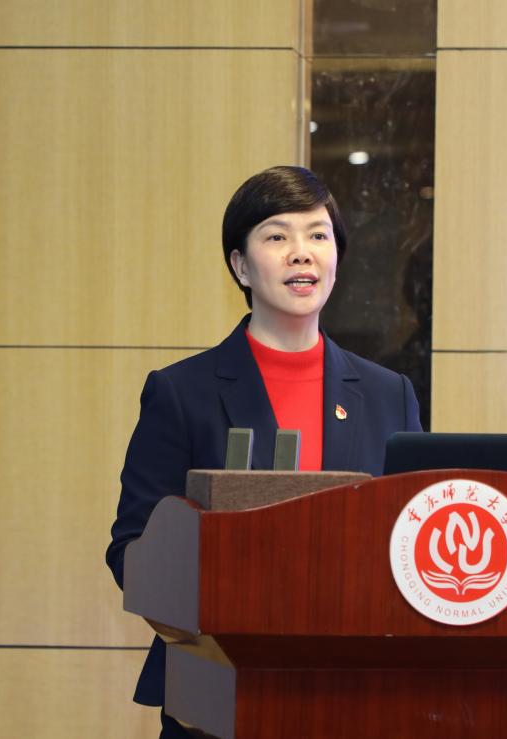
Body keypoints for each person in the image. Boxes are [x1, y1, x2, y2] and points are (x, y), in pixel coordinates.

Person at [105, 166, 423, 737]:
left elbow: (413, 535)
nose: (301, 252)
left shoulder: (388, 394)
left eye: (318, 235)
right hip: (217, 693)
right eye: (277, 236)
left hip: (357, 693)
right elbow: (132, 549)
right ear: (241, 266)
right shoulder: (182, 392)